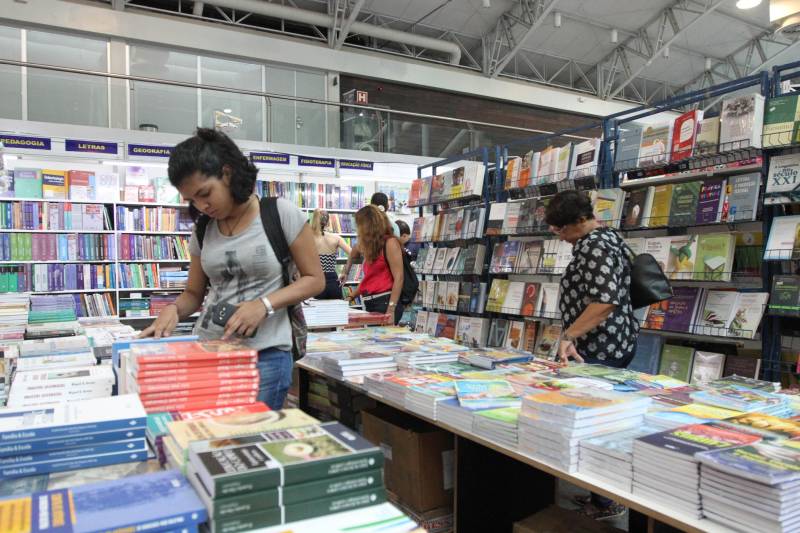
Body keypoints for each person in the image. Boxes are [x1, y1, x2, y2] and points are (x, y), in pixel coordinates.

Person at [139, 128, 324, 411]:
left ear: (227, 173)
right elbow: (193, 292)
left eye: (205, 193)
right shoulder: (203, 229)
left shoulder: (279, 213)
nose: (201, 206)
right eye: (192, 200)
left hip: (265, 355)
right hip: (210, 350)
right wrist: (173, 309)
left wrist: (264, 305)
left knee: (250, 441)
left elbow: (314, 280)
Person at [544, 189, 638, 521]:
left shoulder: (595, 246)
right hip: (610, 342)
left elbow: (604, 301)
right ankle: (603, 495)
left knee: (595, 424)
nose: (560, 235)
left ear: (581, 221)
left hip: (602, 347)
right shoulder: (608, 238)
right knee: (599, 421)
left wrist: (570, 334)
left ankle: (608, 500)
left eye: (562, 229)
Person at [347, 205, 405, 324]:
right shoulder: (372, 246)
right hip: (371, 303)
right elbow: (370, 279)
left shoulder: (390, 243)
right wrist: (351, 296)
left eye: (359, 225)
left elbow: (399, 278)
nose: (358, 229)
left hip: (385, 302)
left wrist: (391, 309)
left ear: (367, 225)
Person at [310, 209, 351, 299]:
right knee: (335, 311)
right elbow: (352, 254)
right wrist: (345, 271)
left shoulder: (308, 238)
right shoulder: (336, 238)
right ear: (328, 221)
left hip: (315, 281)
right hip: (333, 281)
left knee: (315, 312)